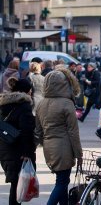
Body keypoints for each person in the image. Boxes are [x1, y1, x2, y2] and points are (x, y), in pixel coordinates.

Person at [35, 67, 82, 204]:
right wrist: (79, 154)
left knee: (61, 180)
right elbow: (73, 132)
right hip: (63, 147)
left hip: (48, 147)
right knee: (62, 182)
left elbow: (38, 131)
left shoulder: (41, 104)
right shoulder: (67, 103)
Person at [0, 77, 36, 205]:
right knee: (16, 187)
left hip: (5, 148)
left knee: (15, 185)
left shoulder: (4, 104)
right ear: (27, 91)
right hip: (18, 151)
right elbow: (27, 132)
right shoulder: (24, 106)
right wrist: (27, 153)